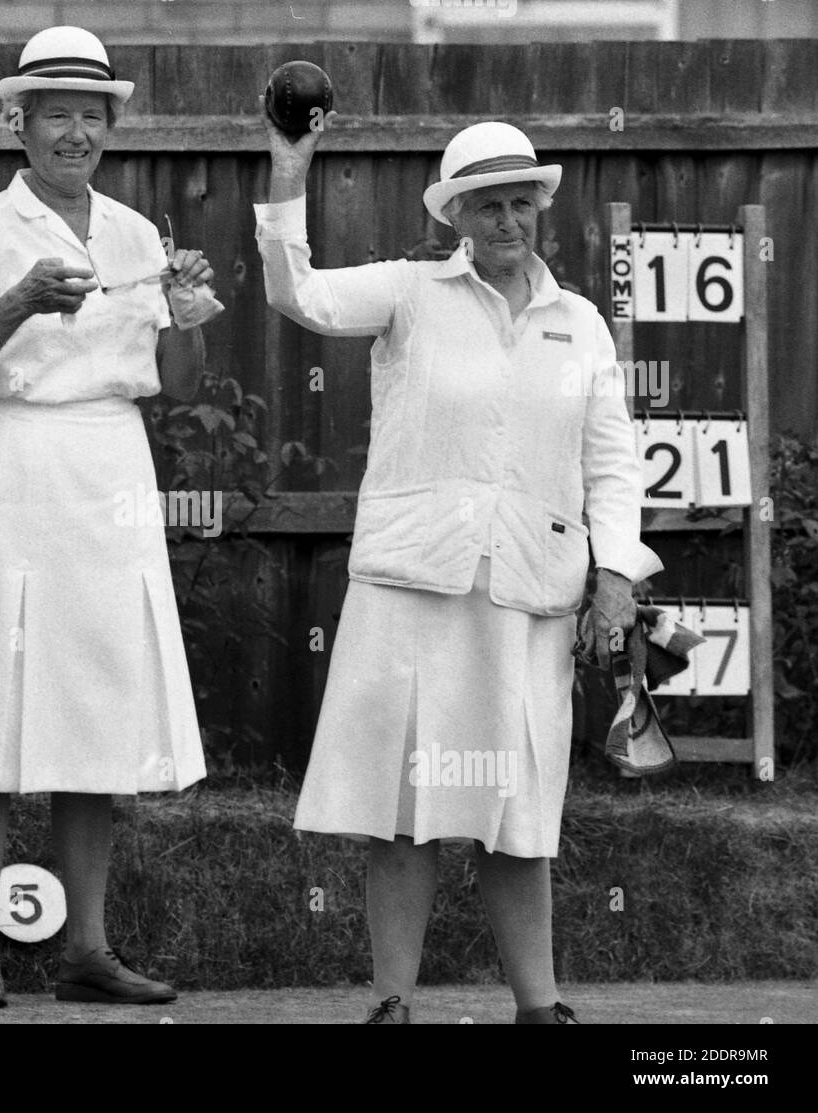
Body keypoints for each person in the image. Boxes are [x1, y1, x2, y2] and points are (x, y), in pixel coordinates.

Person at [255, 117, 662, 1023]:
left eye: (523, 202)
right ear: (457, 215)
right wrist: (290, 168)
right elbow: (300, 296)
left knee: (518, 812)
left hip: (531, 596)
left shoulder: (581, 323)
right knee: (405, 808)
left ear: (541, 209)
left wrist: (618, 573)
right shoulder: (408, 293)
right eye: (490, 205)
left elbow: (612, 463)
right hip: (413, 589)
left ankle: (539, 1005)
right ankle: (392, 1002)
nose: (509, 219)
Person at [0, 25, 215, 1008]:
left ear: (110, 125)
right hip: (9, 471)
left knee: (95, 706)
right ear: (19, 124)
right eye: (54, 114)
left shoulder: (132, 234)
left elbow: (168, 381)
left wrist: (190, 316)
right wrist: (18, 303)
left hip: (107, 476)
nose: (74, 132)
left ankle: (83, 948)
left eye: (90, 115)